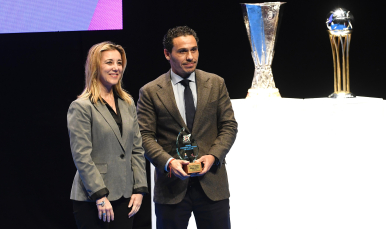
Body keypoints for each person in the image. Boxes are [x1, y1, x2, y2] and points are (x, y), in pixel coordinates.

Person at [137, 26, 238, 229]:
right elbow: (144, 136)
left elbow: (229, 126)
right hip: (171, 187)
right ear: (167, 53)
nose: (190, 56)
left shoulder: (216, 83)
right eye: (182, 51)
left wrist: (213, 156)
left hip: (212, 183)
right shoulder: (150, 91)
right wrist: (168, 162)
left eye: (194, 50)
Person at [67, 41, 148, 229]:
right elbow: (82, 156)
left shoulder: (127, 103)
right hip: (93, 198)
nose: (116, 68)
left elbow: (136, 149)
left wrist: (139, 188)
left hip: (126, 196)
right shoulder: (81, 107)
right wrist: (100, 195)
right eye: (109, 62)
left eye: (119, 63)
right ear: (96, 67)